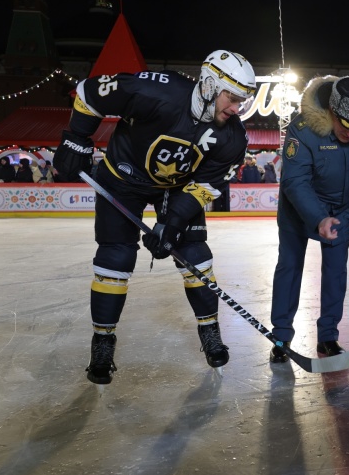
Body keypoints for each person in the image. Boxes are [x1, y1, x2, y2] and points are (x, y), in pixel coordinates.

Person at [52, 49, 256, 386]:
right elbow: (89, 92)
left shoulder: (233, 137)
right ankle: (103, 341)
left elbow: (206, 185)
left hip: (175, 188)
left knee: (196, 256)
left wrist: (173, 222)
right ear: (209, 85)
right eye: (232, 98)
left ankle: (210, 331)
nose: (237, 109)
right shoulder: (157, 90)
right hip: (122, 180)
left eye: (242, 101)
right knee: (115, 257)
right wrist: (76, 139)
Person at [269, 76, 349, 363]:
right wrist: (319, 218)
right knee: (289, 267)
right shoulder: (302, 130)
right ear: (332, 110)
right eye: (345, 124)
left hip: (341, 210)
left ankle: (328, 337)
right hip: (298, 210)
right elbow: (295, 182)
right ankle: (281, 337)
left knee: (335, 272)